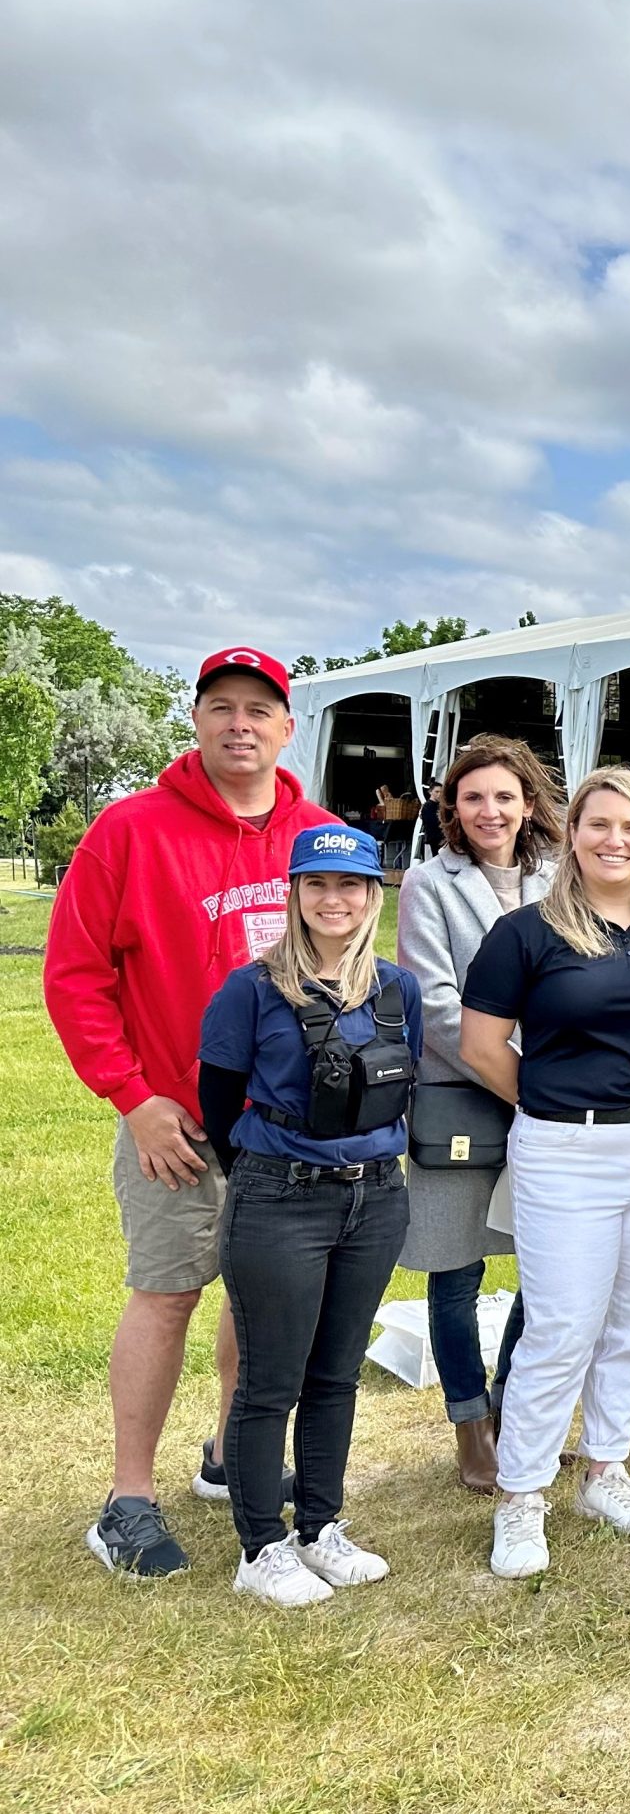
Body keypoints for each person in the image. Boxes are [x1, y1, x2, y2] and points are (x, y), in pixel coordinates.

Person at [44, 647, 340, 1577]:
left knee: (265, 1295)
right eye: (222, 706)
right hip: (177, 1122)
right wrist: (134, 1099)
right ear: (199, 721)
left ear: (289, 726)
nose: (240, 723)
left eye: (260, 708)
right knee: (170, 1291)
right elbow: (76, 977)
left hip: (288, 1124)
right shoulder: (131, 831)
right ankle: (127, 1499)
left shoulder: (319, 835)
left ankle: (228, 1454)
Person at [460, 768, 630, 1579]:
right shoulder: (527, 933)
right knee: (563, 1326)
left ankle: (605, 1469)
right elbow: (479, 1046)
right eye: (597, 824)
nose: (615, 840)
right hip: (565, 1152)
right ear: (571, 834)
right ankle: (523, 1493)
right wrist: (551, 1100)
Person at [196, 827, 421, 1606]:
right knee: (271, 1380)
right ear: (294, 893)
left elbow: (407, 1080)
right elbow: (219, 1100)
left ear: (372, 896)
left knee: (336, 1372)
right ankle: (260, 1545)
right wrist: (263, 1179)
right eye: (318, 884)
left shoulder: (396, 988)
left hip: (375, 1196)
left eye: (352, 886)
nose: (335, 900)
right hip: (279, 1195)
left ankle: (319, 1524)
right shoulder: (252, 988)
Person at [394, 735, 561, 1492]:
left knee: (549, 1265)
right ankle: (469, 1422)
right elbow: (432, 1001)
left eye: (504, 796)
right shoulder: (429, 884)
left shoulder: (565, 877)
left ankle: (512, 1405)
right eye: (473, 797)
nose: (490, 810)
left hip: (556, 1100)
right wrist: (515, 1073)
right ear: (451, 808)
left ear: (528, 803)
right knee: (455, 1267)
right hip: (465, 1093)